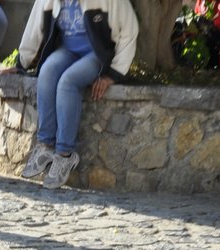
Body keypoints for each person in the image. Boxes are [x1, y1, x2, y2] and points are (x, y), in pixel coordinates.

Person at [14, 0, 139, 188]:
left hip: (97, 54)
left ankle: (65, 154)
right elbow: (34, 27)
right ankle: (45, 145)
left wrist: (113, 74)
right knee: (47, 72)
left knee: (68, 82)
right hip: (67, 50)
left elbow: (130, 30)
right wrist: (20, 63)